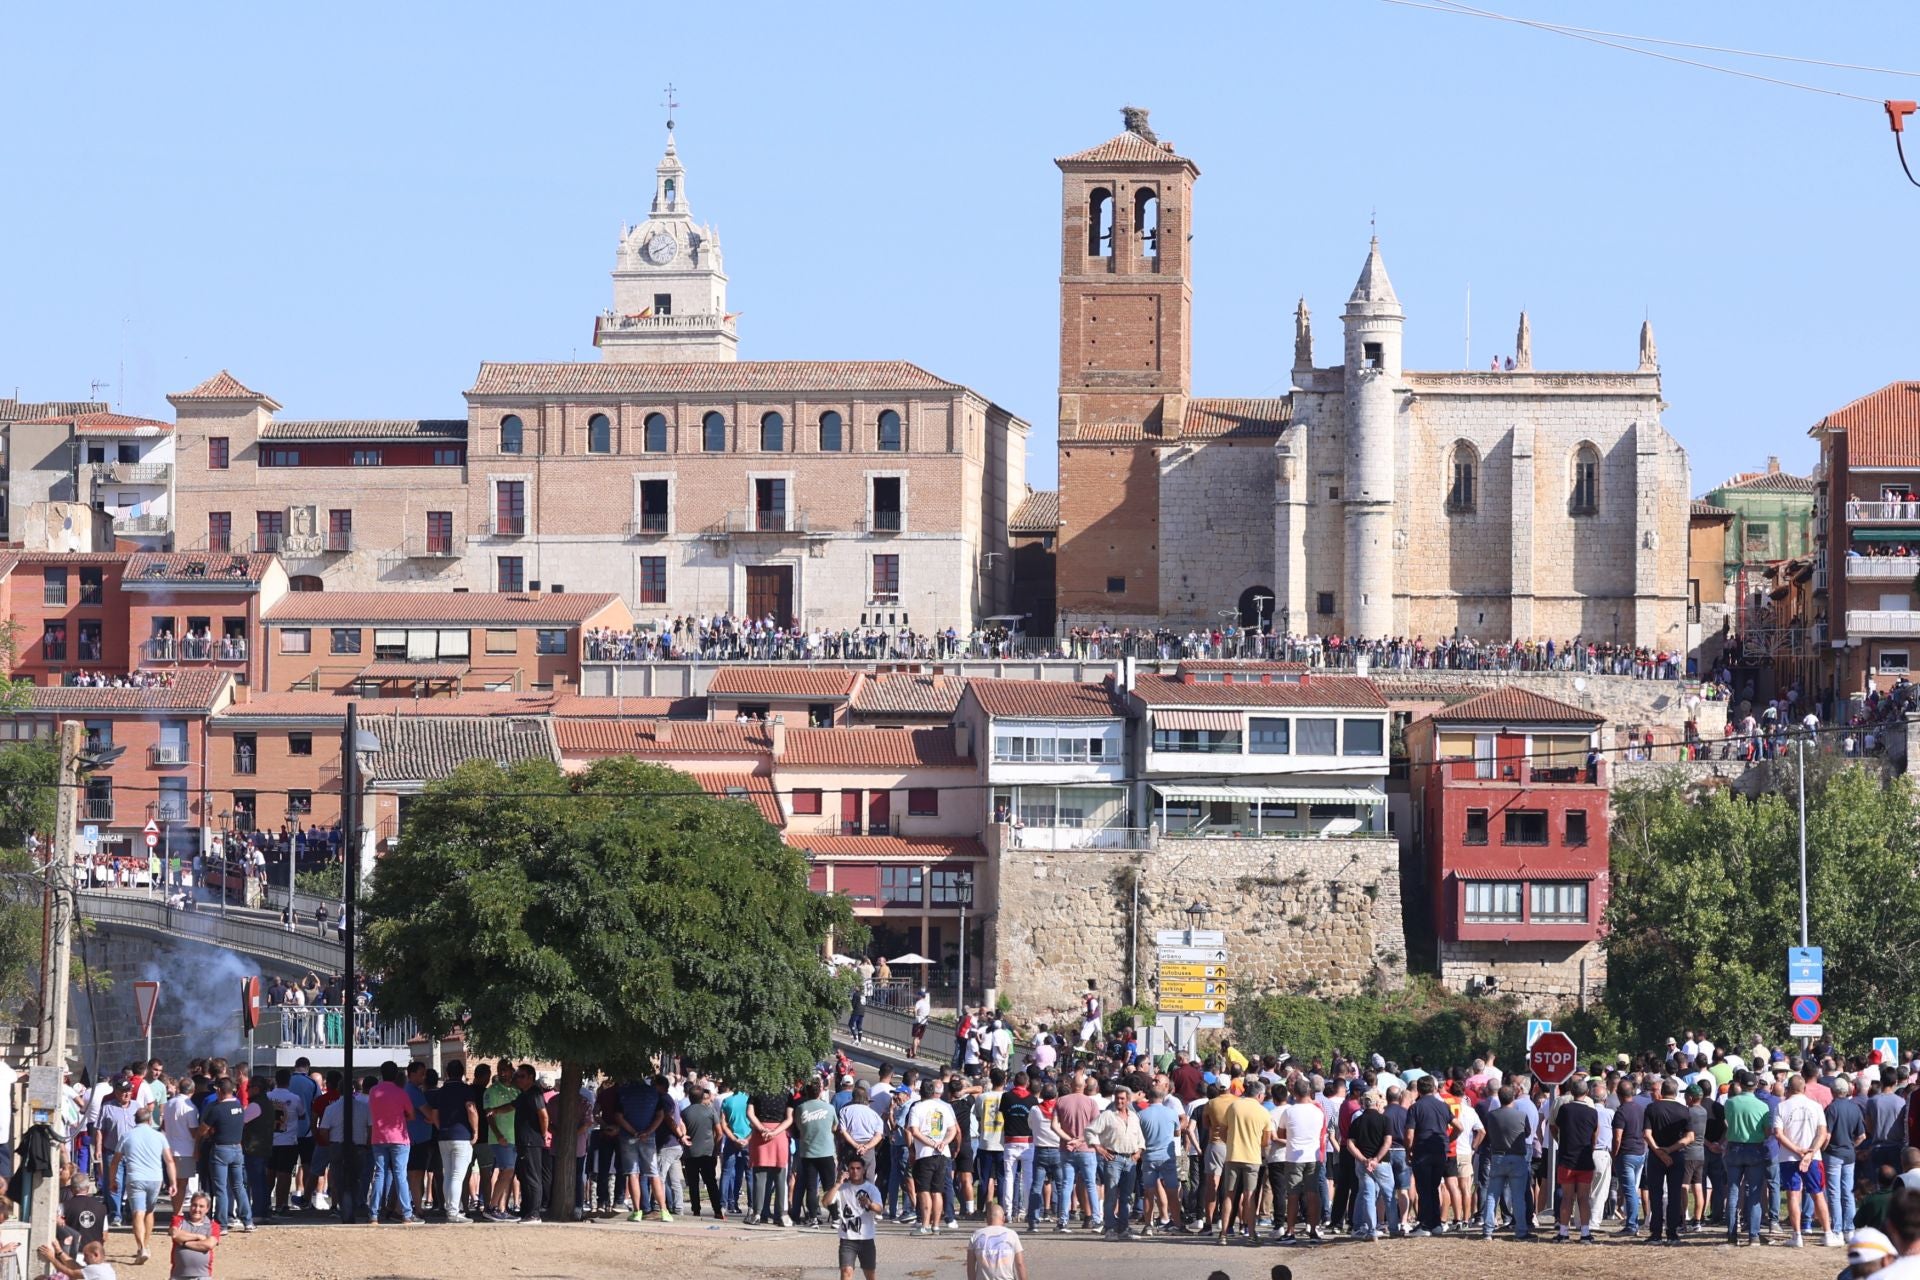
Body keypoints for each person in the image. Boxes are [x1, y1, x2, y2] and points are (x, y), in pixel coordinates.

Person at [119, 1104, 178, 1266]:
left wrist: (112, 1180)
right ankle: (146, 1244)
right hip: (155, 1178)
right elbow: (169, 1160)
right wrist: (172, 1182)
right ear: (150, 1120)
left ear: (135, 1120)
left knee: (137, 1212)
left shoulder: (127, 1135)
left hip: (135, 1177)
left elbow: (115, 1161)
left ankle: (142, 1247)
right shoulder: (159, 1136)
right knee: (149, 1211)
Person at [1085, 1082, 1143, 1241]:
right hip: (1113, 1158)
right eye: (1117, 1098)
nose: (1120, 1101)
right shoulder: (1107, 1115)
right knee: (1111, 1194)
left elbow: (1139, 1137)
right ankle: (1110, 1228)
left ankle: (1123, 1228)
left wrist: (1139, 1151)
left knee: (1126, 1197)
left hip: (1130, 1159)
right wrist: (1099, 1148)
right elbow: (1090, 1130)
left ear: (1128, 1100)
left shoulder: (1134, 1117)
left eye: (1123, 1099)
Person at [195, 1077, 252, 1232]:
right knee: (239, 1186)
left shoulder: (217, 1109)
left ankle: (222, 1224)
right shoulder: (239, 1107)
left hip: (221, 1149)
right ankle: (248, 1221)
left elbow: (203, 1129)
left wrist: (199, 1138)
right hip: (237, 1149)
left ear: (220, 1090)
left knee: (220, 1189)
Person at [1643, 1077, 1694, 1245]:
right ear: (1676, 1092)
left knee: (1655, 1194)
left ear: (1662, 1091)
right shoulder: (1684, 1110)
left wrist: (1659, 1151)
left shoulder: (1652, 1108)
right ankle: (1672, 1232)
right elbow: (1690, 1137)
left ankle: (1656, 1232)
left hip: (1656, 1155)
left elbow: (1647, 1134)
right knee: (1674, 1194)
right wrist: (1670, 1150)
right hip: (1677, 1155)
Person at [1550, 1079, 1600, 1243]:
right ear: (1587, 1094)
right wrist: (1591, 1147)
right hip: (1584, 1159)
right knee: (1584, 1198)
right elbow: (1595, 1133)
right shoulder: (1592, 1112)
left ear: (1571, 1092)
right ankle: (1585, 1232)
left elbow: (1555, 1126)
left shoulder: (1565, 1109)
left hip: (1567, 1158)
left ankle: (1564, 1232)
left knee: (1567, 1198)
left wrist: (1560, 1140)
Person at [907, 1080, 958, 1236]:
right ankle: (936, 1225)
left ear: (921, 1092)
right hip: (943, 1153)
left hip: (925, 1154)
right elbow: (953, 1130)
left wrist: (931, 1143)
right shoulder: (944, 1107)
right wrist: (944, 1142)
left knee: (924, 1190)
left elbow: (914, 1131)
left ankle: (925, 1224)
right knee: (937, 1191)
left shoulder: (917, 1108)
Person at [829, 1154, 882, 1280]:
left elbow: (880, 1209)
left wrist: (870, 1204)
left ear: (863, 1170)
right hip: (847, 1239)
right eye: (852, 1168)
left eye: (858, 1168)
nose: (855, 1171)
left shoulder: (871, 1189)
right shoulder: (842, 1188)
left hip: (866, 1238)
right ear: (848, 1170)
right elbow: (826, 1202)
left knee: (870, 1275)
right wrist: (837, 1184)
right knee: (846, 1272)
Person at [967, 1202, 1028, 1280]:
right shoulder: (1012, 1235)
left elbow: (970, 1266)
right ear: (1003, 1218)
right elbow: (1020, 1264)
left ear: (987, 1219)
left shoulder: (976, 1235)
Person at [168, 1191, 219, 1280]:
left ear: (207, 1209)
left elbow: (209, 1244)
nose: (197, 1209)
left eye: (201, 1206)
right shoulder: (178, 1220)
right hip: (178, 1275)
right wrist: (198, 1237)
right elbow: (175, 1234)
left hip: (203, 1275)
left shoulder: (213, 1226)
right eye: (194, 1205)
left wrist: (184, 1243)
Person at [36, 1240, 114, 1280]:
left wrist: (52, 1258)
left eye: (86, 1256)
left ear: (96, 1255)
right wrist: (59, 1251)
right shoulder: (105, 1268)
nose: (84, 1259)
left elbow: (71, 1273)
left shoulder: (97, 1269)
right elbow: (76, 1267)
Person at [911, 991, 931, 1059]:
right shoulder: (927, 1003)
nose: (917, 996)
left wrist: (915, 1016)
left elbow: (915, 1010)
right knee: (919, 1038)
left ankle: (914, 1053)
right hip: (925, 1022)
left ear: (920, 996)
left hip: (918, 1021)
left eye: (917, 995)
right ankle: (913, 1050)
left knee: (915, 1037)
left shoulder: (919, 1002)